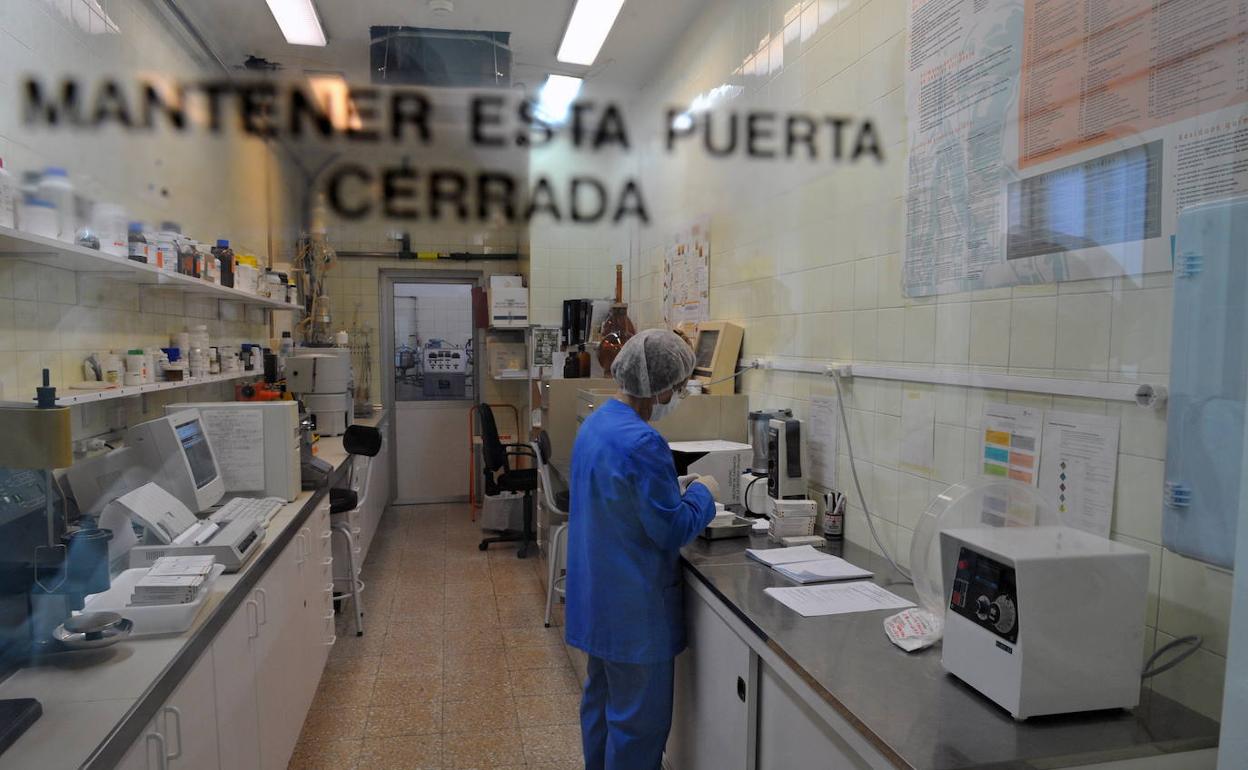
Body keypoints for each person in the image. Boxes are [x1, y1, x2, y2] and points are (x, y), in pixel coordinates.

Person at [565, 328, 722, 770]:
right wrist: (703, 494)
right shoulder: (644, 441)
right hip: (634, 614)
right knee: (638, 727)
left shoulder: (596, 423)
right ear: (664, 385)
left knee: (600, 706)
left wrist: (671, 490)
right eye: (677, 385)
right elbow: (671, 529)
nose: (677, 394)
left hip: (596, 600)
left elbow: (621, 499)